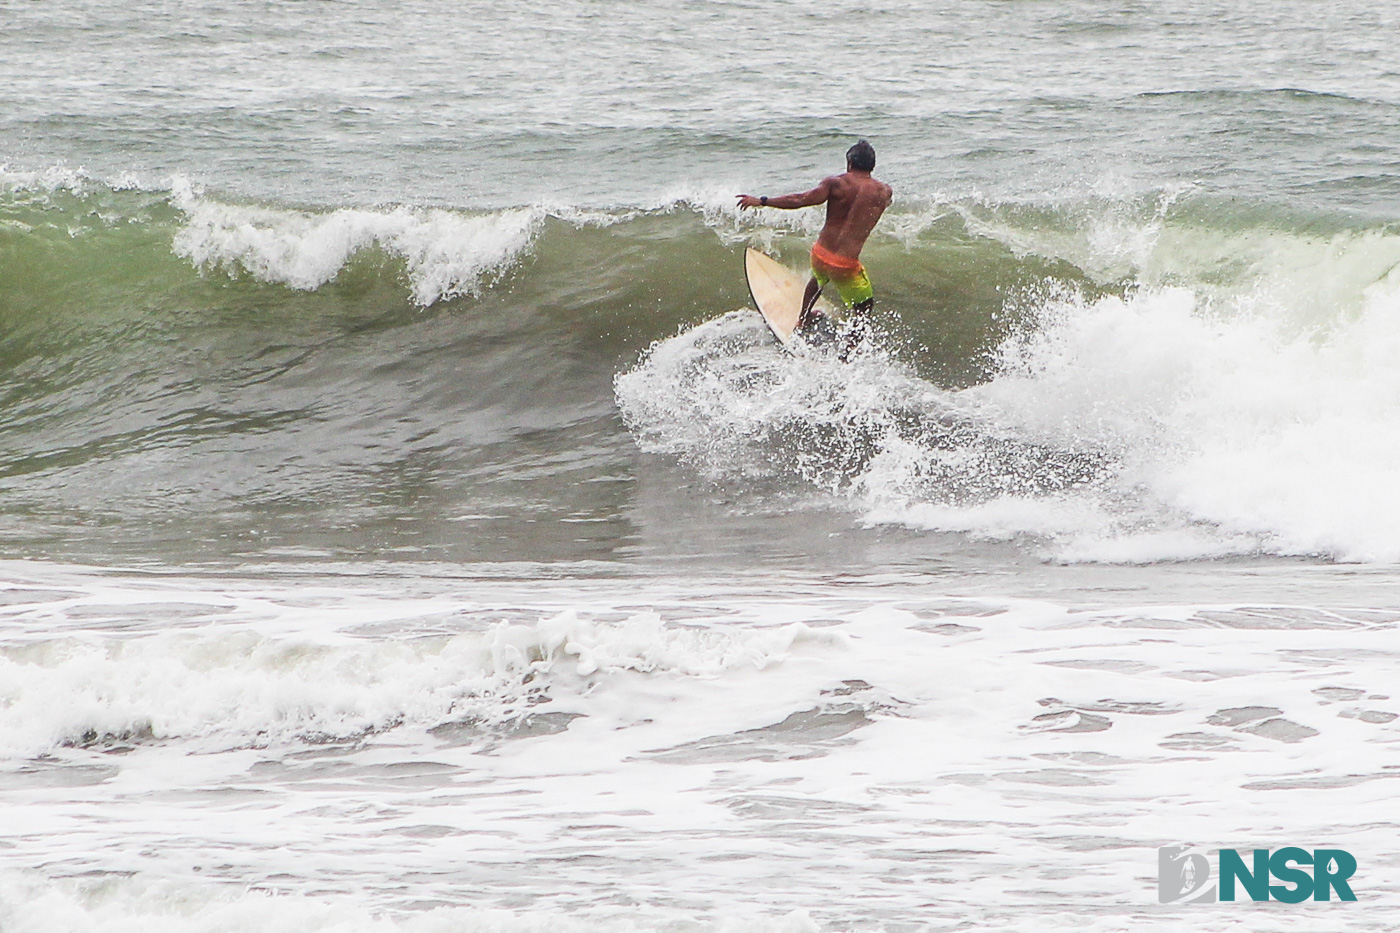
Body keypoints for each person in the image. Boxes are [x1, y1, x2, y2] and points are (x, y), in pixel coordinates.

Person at [736, 140, 892, 355]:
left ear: (849, 163)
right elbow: (883, 204)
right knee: (864, 308)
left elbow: (800, 199)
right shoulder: (884, 192)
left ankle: (803, 318)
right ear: (872, 166)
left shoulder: (836, 184)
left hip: (820, 254)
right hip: (845, 266)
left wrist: (762, 201)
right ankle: (848, 353)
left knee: (817, 279)